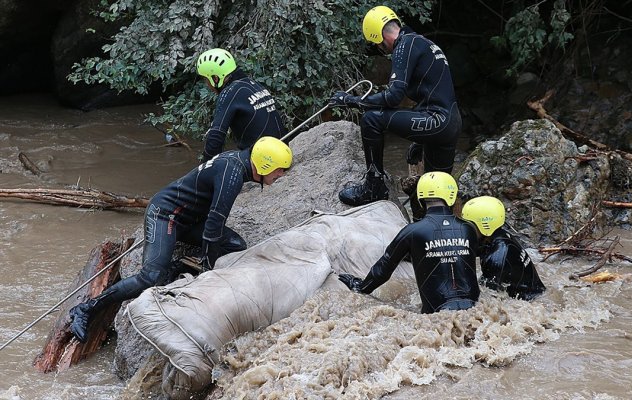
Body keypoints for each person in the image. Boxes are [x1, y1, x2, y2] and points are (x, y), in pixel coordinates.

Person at [68, 136, 292, 342]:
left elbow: (213, 225)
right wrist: (209, 271)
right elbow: (214, 226)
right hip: (165, 215)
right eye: (280, 170)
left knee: (235, 245)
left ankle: (178, 265)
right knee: (151, 277)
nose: (281, 175)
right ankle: (86, 309)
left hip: (190, 219)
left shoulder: (239, 163)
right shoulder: (232, 174)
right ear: (265, 164)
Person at [329, 6, 462, 207]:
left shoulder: (404, 45)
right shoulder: (423, 42)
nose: (382, 50)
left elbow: (393, 96)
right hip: (450, 123)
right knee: (437, 194)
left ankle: (374, 186)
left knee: (371, 119)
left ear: (380, 38)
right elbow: (433, 94)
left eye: (377, 45)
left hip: (435, 121)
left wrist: (351, 101)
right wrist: (421, 140)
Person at [338, 171, 480, 313]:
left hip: (437, 317)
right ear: (452, 196)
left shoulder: (412, 231)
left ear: (420, 198)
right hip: (476, 312)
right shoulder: (469, 228)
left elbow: (383, 269)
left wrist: (361, 287)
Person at [196, 48, 287, 162]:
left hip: (265, 159)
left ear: (215, 78)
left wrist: (203, 169)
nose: (207, 85)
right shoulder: (251, 84)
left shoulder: (230, 93)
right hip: (282, 150)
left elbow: (216, 137)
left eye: (206, 80)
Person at [461, 196, 546, 300]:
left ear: (483, 225)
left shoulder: (497, 257)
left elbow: (486, 298)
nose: (465, 229)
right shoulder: (498, 236)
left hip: (529, 303)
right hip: (535, 293)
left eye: (469, 225)